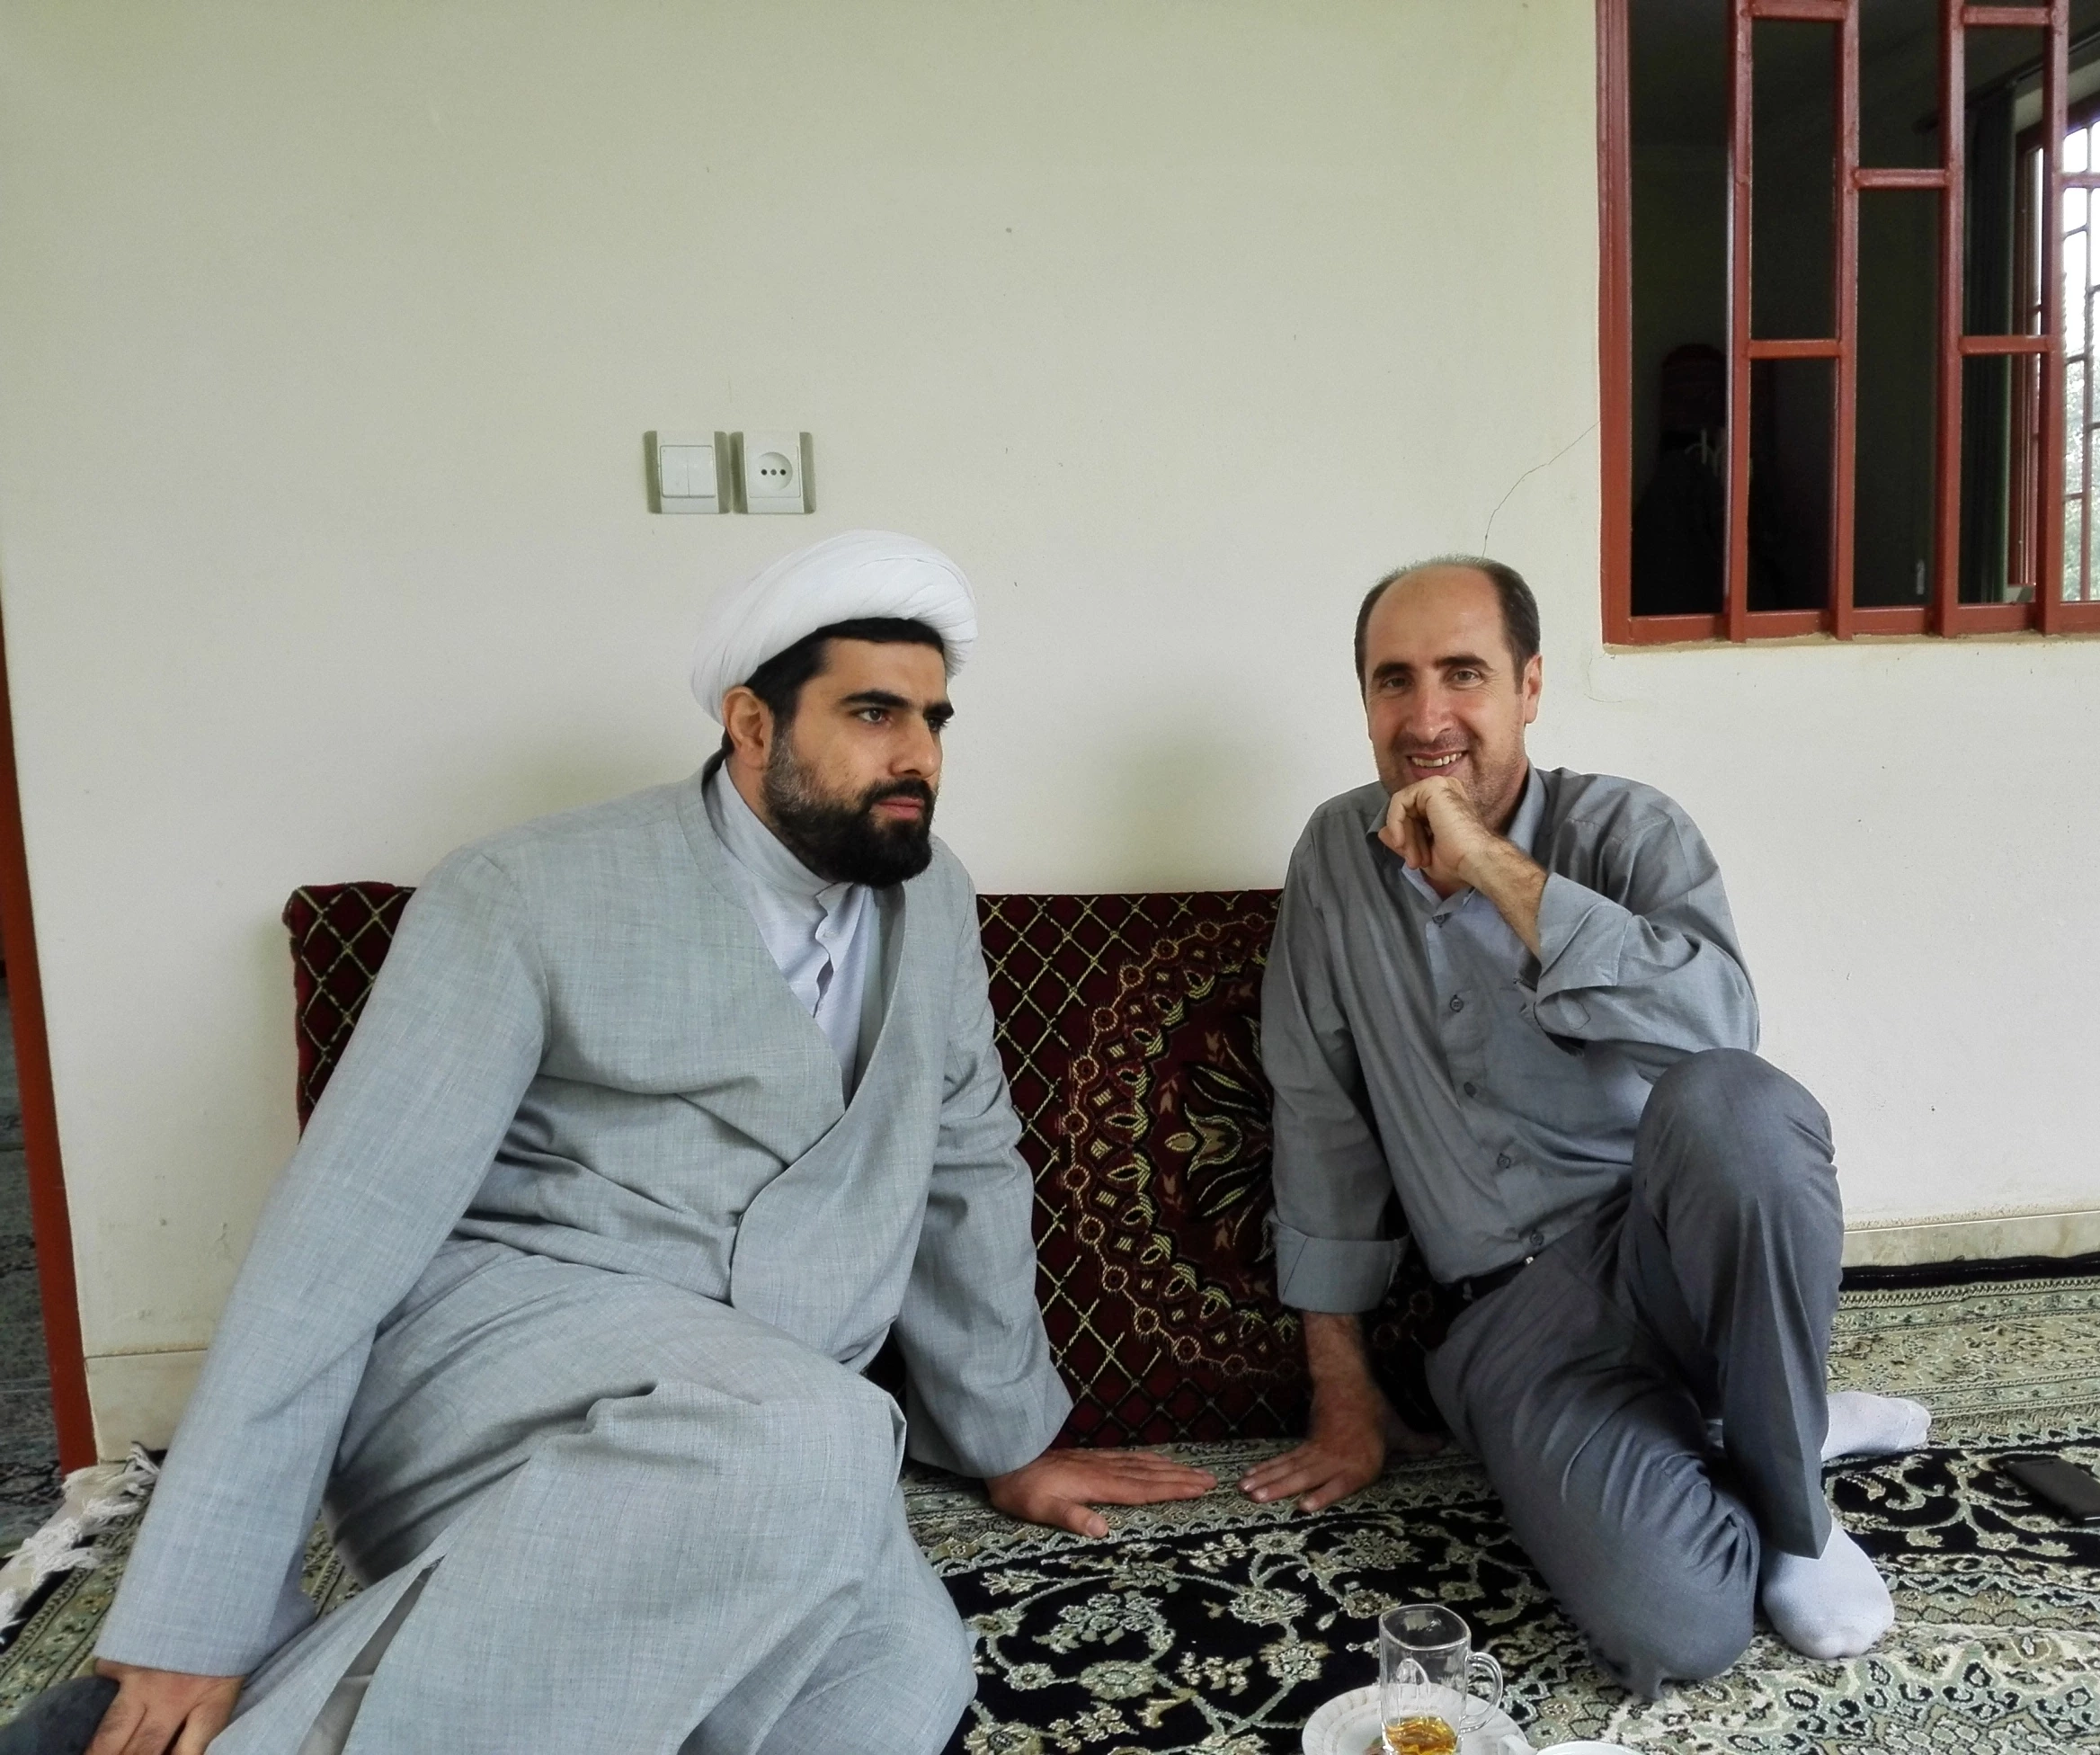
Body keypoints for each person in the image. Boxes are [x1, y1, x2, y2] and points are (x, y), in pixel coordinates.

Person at [67, 531, 1214, 1755]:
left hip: (774, 1421)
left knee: (896, 1676)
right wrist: (201, 1609)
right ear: (752, 723)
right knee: (818, 1430)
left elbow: (966, 1169)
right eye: (873, 712)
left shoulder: (932, 899)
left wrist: (1009, 1441)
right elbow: (339, 1235)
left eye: (933, 719)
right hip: (503, 1366)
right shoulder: (522, 889)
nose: (919, 755)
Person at [1237, 557, 1929, 1697]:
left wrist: (1491, 866)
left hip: (1669, 1249)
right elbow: (1319, 1118)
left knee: (1741, 1106)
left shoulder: (1630, 826)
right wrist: (1343, 1388)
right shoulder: (1332, 857)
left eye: (1465, 673)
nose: (1427, 715)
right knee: (1680, 1628)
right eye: (1394, 680)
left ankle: (1794, 1513)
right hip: (1513, 1319)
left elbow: (1719, 1026)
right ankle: (1775, 1423)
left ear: (1530, 686)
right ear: (1363, 700)